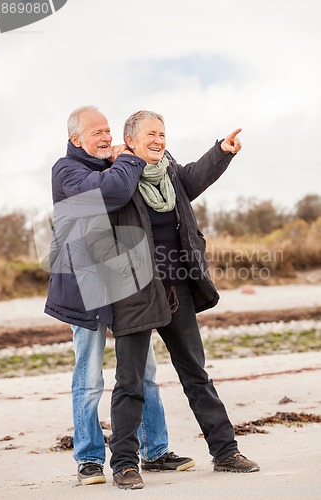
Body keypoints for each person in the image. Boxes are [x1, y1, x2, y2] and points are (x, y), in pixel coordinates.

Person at [90, 110, 260, 489]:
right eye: (151, 134)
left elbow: (196, 175)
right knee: (129, 381)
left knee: (196, 374)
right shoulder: (118, 178)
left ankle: (225, 451)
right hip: (133, 293)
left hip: (177, 288)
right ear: (130, 140)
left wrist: (222, 151)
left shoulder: (171, 173)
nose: (159, 140)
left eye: (163, 133)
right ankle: (124, 464)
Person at [44, 106, 195, 486]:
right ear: (75, 139)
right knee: (89, 375)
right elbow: (113, 193)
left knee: (144, 372)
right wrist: (128, 156)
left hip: (123, 282)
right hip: (86, 286)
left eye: (107, 129)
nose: (103, 136)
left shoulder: (109, 167)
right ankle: (90, 459)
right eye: (96, 132)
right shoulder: (67, 171)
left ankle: (155, 450)